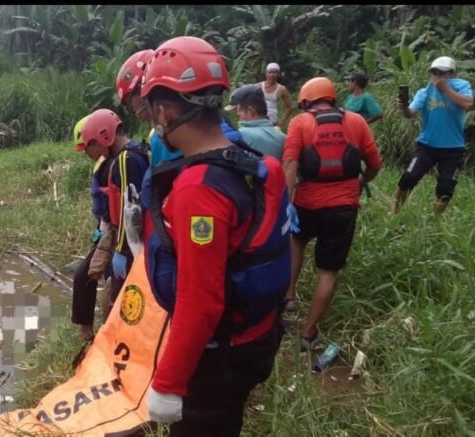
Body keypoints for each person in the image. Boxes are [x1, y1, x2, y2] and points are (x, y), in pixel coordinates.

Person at [140, 36, 291, 436]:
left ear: (164, 111)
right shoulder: (254, 164)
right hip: (258, 332)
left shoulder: (198, 190)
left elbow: (200, 302)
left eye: (153, 112)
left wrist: (168, 383)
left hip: (222, 352)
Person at [281, 77, 382, 350]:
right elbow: (375, 163)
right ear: (332, 98)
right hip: (344, 207)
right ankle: (308, 334)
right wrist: (362, 182)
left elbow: (289, 164)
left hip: (307, 202)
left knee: (296, 241)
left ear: (305, 101)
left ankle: (288, 297)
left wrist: (286, 203)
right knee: (328, 271)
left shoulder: (299, 123)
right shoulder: (357, 122)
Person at [80, 109, 149, 313]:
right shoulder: (139, 150)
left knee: (119, 302)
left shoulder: (125, 159)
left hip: (131, 246)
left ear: (104, 137)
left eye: (92, 144)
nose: (94, 153)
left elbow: (130, 210)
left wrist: (121, 250)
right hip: (139, 242)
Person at [393, 56, 474, 214]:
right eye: (434, 72)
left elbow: (468, 103)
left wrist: (446, 89)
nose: (438, 76)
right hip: (427, 146)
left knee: (445, 189)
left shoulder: (462, 86)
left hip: (453, 148)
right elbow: (410, 114)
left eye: (442, 73)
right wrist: (404, 108)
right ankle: (394, 212)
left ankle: (434, 220)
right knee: (408, 179)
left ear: (452, 74)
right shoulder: (424, 92)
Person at [70, 115, 115, 340]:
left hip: (114, 233)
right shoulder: (103, 164)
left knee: (85, 276)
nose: (87, 154)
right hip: (105, 229)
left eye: (87, 148)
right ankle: (90, 331)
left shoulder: (115, 165)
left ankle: (94, 332)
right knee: (88, 276)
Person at [225, 84, 287, 160]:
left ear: (251, 111)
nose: (238, 118)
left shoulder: (240, 135)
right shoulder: (283, 138)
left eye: (239, 114)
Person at [256, 62, 294, 128]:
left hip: (272, 121)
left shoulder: (282, 89)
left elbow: (289, 107)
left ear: (278, 74)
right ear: (266, 74)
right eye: (270, 72)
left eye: (274, 72)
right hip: (259, 120)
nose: (272, 75)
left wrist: (280, 122)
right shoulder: (258, 86)